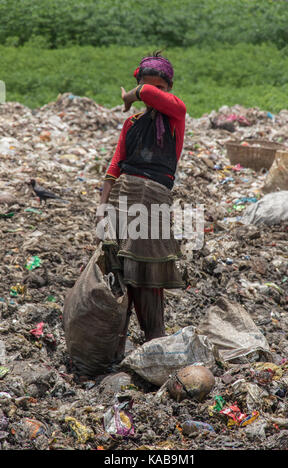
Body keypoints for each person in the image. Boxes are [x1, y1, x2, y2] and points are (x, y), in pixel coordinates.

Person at [96, 52, 186, 348]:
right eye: (148, 86)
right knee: (122, 273)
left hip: (153, 200)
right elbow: (116, 163)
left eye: (159, 88)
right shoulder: (132, 123)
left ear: (168, 89)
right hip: (123, 197)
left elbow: (146, 92)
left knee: (148, 273)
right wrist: (102, 204)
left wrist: (129, 95)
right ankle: (116, 343)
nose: (151, 94)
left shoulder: (176, 115)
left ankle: (154, 338)